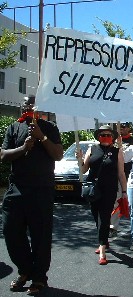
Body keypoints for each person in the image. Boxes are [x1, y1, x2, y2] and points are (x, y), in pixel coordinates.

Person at [1, 95, 64, 294]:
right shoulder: (13, 128)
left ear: (39, 108)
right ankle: (25, 270)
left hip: (41, 190)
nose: (27, 107)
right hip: (17, 189)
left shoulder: (50, 128)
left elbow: (58, 154)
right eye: (25, 104)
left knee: (40, 236)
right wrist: (24, 147)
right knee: (11, 232)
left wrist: (41, 137)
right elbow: (3, 155)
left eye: (31, 104)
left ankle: (39, 278)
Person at [78, 125, 127, 265]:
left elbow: (121, 173)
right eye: (102, 135)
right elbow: (84, 168)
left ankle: (102, 251)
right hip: (93, 189)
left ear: (112, 137)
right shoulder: (92, 149)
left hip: (109, 190)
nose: (105, 137)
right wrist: (80, 159)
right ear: (98, 137)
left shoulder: (117, 151)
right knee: (96, 217)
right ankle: (104, 240)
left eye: (108, 135)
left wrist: (124, 192)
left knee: (104, 217)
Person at [109, 122, 133, 238]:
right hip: (117, 175)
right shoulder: (113, 140)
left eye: (123, 127)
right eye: (120, 127)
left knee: (130, 203)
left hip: (130, 175)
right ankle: (113, 227)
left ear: (129, 128)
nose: (121, 129)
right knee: (115, 202)